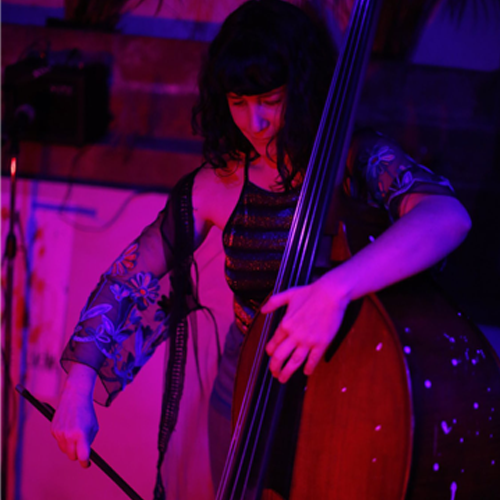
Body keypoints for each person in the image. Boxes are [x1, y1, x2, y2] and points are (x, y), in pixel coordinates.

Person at [51, 0, 472, 498]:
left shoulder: (354, 158)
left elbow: (447, 217)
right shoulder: (219, 182)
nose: (255, 121)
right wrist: (77, 386)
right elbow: (129, 276)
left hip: (349, 389)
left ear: (302, 86)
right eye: (238, 101)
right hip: (244, 386)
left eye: (270, 99)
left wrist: (334, 290)